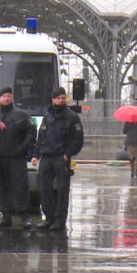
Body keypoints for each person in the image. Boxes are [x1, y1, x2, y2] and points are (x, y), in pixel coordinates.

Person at [0, 86, 36, 229]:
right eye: (4, 96)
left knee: (20, 187)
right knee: (2, 188)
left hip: (16, 158)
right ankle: (6, 216)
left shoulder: (21, 115)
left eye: (9, 96)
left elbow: (31, 133)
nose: (6, 98)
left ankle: (25, 217)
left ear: (12, 98)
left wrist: (22, 148)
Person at [31, 87, 84, 231]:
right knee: (44, 188)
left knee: (62, 190)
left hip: (61, 158)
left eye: (63, 98)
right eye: (58, 98)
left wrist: (67, 154)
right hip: (46, 158)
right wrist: (36, 155)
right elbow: (40, 138)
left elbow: (78, 140)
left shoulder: (72, 117)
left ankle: (59, 220)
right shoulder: (47, 117)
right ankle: (48, 218)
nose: (61, 101)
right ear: (52, 99)